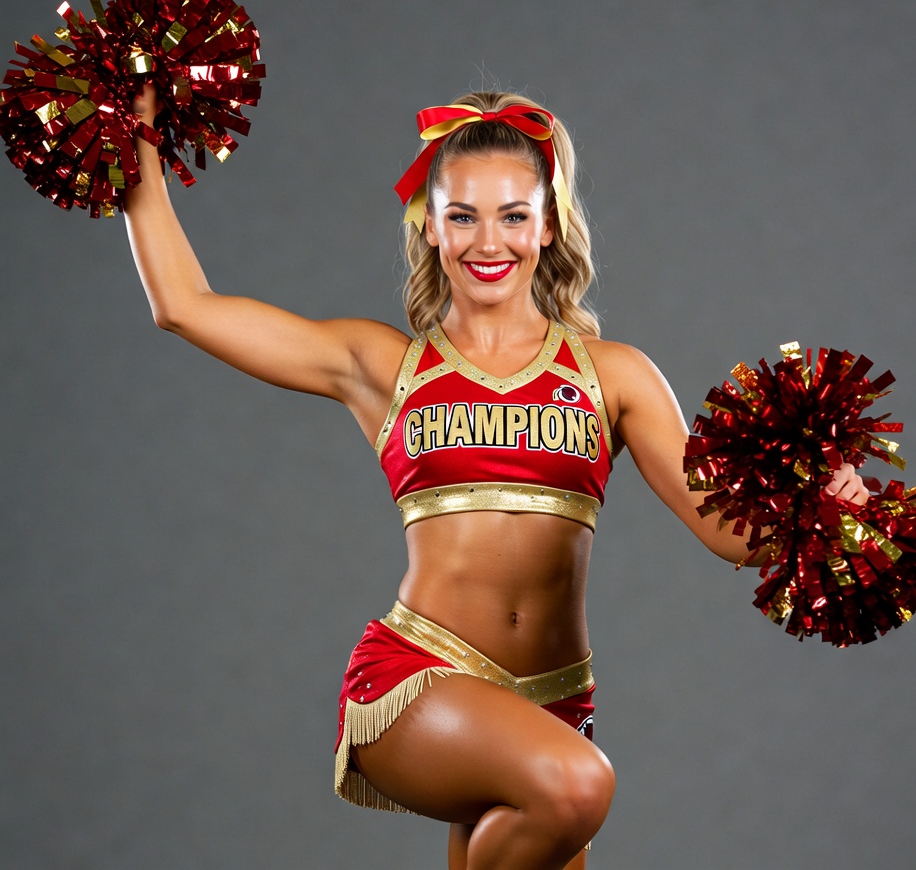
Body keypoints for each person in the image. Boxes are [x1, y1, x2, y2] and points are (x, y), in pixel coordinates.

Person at [124, 87, 868, 870]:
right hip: (418, 676)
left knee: (552, 803)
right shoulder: (383, 364)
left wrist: (821, 508)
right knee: (577, 789)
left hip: (556, 702)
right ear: (431, 227)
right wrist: (135, 135)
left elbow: (725, 531)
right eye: (463, 216)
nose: (490, 241)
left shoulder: (612, 376)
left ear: (548, 225)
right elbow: (184, 305)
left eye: (514, 215)